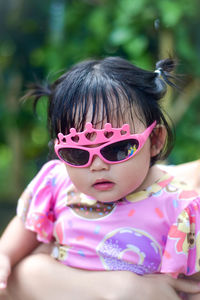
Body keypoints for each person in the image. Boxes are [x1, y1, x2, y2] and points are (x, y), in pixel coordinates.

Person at [0, 56, 200, 300]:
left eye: (117, 149)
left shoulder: (181, 205)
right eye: (76, 154)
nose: (97, 165)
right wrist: (4, 256)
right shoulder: (57, 182)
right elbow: (23, 230)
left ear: (155, 140)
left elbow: (190, 286)